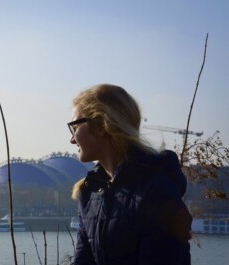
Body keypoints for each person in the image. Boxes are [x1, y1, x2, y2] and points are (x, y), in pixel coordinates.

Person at [68, 84, 192, 265]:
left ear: (101, 126)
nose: (72, 139)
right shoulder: (89, 193)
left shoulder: (157, 191)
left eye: (75, 127)